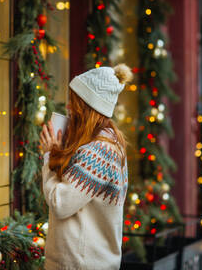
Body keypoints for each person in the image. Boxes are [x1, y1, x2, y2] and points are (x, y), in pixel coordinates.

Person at [39, 64, 132, 270]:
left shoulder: (99, 151)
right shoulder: (99, 144)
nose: (70, 109)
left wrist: (49, 156)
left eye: (74, 103)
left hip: (81, 264)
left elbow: (61, 203)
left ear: (87, 107)